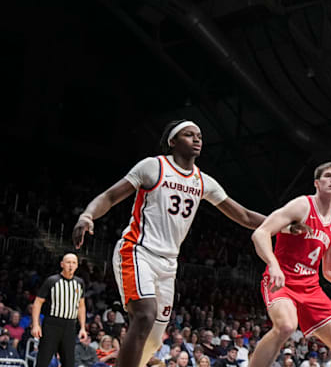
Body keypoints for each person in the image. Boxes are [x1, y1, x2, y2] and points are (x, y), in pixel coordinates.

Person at [72, 120, 287, 367]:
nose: (197, 139)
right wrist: (87, 215)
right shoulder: (154, 166)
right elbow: (110, 195)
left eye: (199, 136)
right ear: (172, 142)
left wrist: (286, 225)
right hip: (137, 251)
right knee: (144, 316)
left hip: (169, 264)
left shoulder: (203, 181)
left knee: (153, 341)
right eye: (189, 135)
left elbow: (245, 216)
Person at [248, 163, 331, 367]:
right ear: (317, 184)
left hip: (311, 289)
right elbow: (261, 233)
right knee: (286, 326)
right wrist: (272, 264)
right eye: (328, 176)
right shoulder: (302, 205)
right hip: (282, 281)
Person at [31, 253, 88, 367]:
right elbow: (38, 302)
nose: (71, 265)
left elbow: (81, 306)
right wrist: (36, 325)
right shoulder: (52, 281)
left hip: (70, 326)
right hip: (52, 324)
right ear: (62, 264)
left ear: (77, 266)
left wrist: (82, 327)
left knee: (69, 362)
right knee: (43, 361)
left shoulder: (80, 283)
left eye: (74, 263)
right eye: (68, 262)